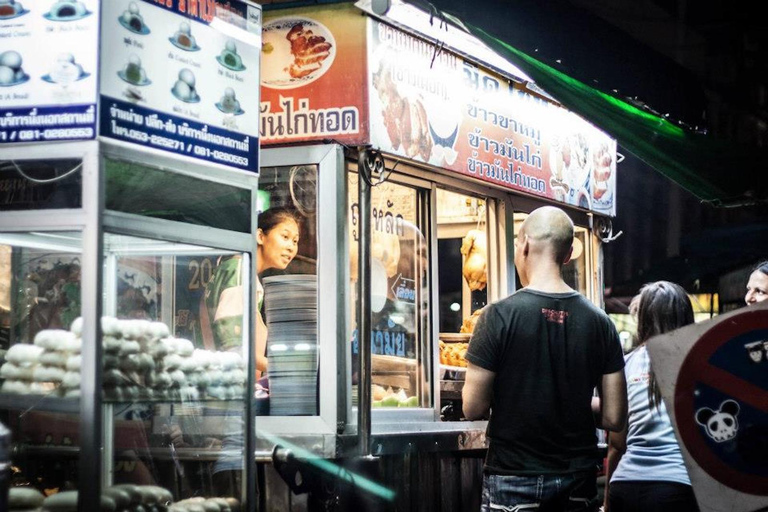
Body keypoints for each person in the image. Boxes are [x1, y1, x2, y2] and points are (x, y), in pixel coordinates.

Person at [463, 206, 627, 512]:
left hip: (513, 477)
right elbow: (615, 418)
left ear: (524, 244)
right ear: (567, 256)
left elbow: (472, 406)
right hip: (578, 481)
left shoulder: (497, 316)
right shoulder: (601, 323)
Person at [604, 281, 698, 512]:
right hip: (677, 487)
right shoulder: (700, 364)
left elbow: (617, 444)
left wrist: (607, 501)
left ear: (643, 319)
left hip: (624, 487)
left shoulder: (625, 365)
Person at [201, 207, 300, 377]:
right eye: (285, 237)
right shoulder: (240, 272)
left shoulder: (241, 270)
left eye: (295, 241)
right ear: (260, 236)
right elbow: (234, 348)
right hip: (229, 386)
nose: (291, 247)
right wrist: (281, 369)